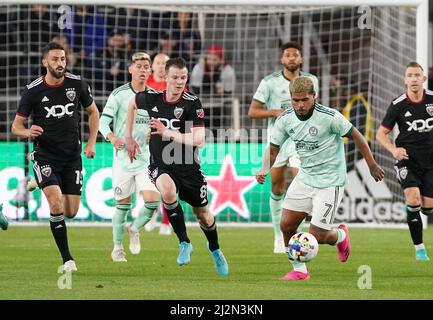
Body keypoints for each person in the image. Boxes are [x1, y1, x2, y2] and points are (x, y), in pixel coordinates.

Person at [256, 76, 384, 281]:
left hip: (330, 181)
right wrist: (263, 169)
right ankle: (299, 270)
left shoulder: (330, 116)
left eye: (304, 100)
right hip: (305, 178)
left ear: (314, 96)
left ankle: (340, 235)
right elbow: (273, 149)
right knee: (286, 225)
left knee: (318, 235)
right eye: (295, 100)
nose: (300, 105)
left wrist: (371, 164)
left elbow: (357, 136)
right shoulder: (285, 119)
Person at [125, 57, 229, 276]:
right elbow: (132, 105)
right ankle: (184, 242)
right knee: (167, 190)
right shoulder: (151, 98)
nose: (179, 82)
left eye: (183, 77)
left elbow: (199, 139)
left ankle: (215, 249)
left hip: (187, 165)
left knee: (203, 215)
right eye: (175, 77)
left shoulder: (191, 103)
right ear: (165, 77)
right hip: (160, 163)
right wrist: (129, 137)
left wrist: (167, 132)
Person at [11, 42, 100, 272]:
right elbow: (16, 126)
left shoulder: (77, 84)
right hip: (45, 155)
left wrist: (91, 142)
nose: (60, 63)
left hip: (72, 155)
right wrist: (27, 131)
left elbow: (93, 112)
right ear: (45, 62)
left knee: (71, 211)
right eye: (55, 59)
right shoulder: (33, 90)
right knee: (56, 203)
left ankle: (37, 181)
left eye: (62, 58)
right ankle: (67, 259)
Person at [248, 42, 319, 254]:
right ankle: (279, 236)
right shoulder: (269, 82)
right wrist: (274, 112)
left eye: (295, 55)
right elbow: (252, 111)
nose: (291, 58)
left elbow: (315, 107)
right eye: (287, 55)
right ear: (282, 59)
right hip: (278, 141)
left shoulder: (311, 81)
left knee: (302, 184)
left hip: (302, 141)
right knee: (277, 188)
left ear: (301, 59)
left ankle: (299, 235)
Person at [99, 52, 162, 262]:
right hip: (123, 159)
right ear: (130, 69)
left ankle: (134, 229)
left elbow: (160, 126)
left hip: (146, 159)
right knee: (122, 206)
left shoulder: (155, 96)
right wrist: (111, 137)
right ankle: (117, 248)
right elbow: (102, 122)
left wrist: (153, 133)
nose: (143, 70)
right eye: (139, 66)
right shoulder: (118, 95)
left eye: (146, 67)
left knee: (153, 201)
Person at [376, 61, 433, 261]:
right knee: (413, 198)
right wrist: (394, 150)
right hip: (407, 160)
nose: (414, 79)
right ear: (405, 79)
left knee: (428, 208)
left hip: (430, 162)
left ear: (424, 79)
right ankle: (419, 249)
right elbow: (381, 134)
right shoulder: (398, 104)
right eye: (410, 75)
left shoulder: (432, 100)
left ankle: (412, 209)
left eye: (417, 75)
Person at [144, 52, 172, 235]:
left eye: (165, 63)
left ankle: (166, 221)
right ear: (152, 66)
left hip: (168, 139)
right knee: (148, 179)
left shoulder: (176, 86)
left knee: (169, 180)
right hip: (146, 138)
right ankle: (150, 213)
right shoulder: (144, 87)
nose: (162, 66)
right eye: (159, 62)